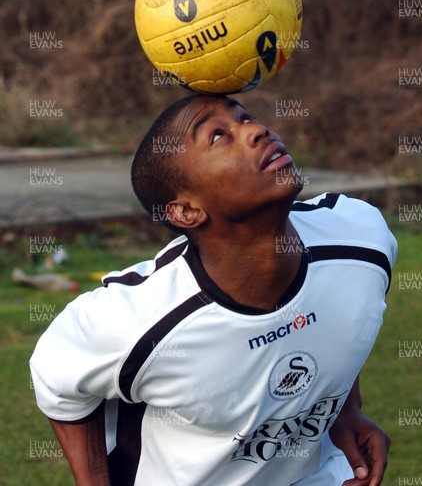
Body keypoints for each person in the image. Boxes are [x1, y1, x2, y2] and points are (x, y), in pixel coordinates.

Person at [30, 94, 397, 486]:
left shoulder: (361, 239)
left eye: (247, 118)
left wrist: (346, 409)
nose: (257, 131)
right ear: (186, 211)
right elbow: (56, 377)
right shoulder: (139, 319)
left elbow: (343, 319)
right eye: (219, 136)